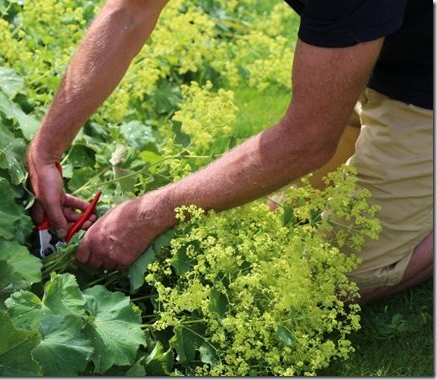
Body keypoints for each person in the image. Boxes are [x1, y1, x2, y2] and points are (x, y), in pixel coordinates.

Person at [26, 0, 433, 303]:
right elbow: (129, 12)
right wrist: (46, 150)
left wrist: (146, 216)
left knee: (334, 286)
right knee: (276, 218)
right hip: (374, 56)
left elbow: (307, 139)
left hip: (425, 86)